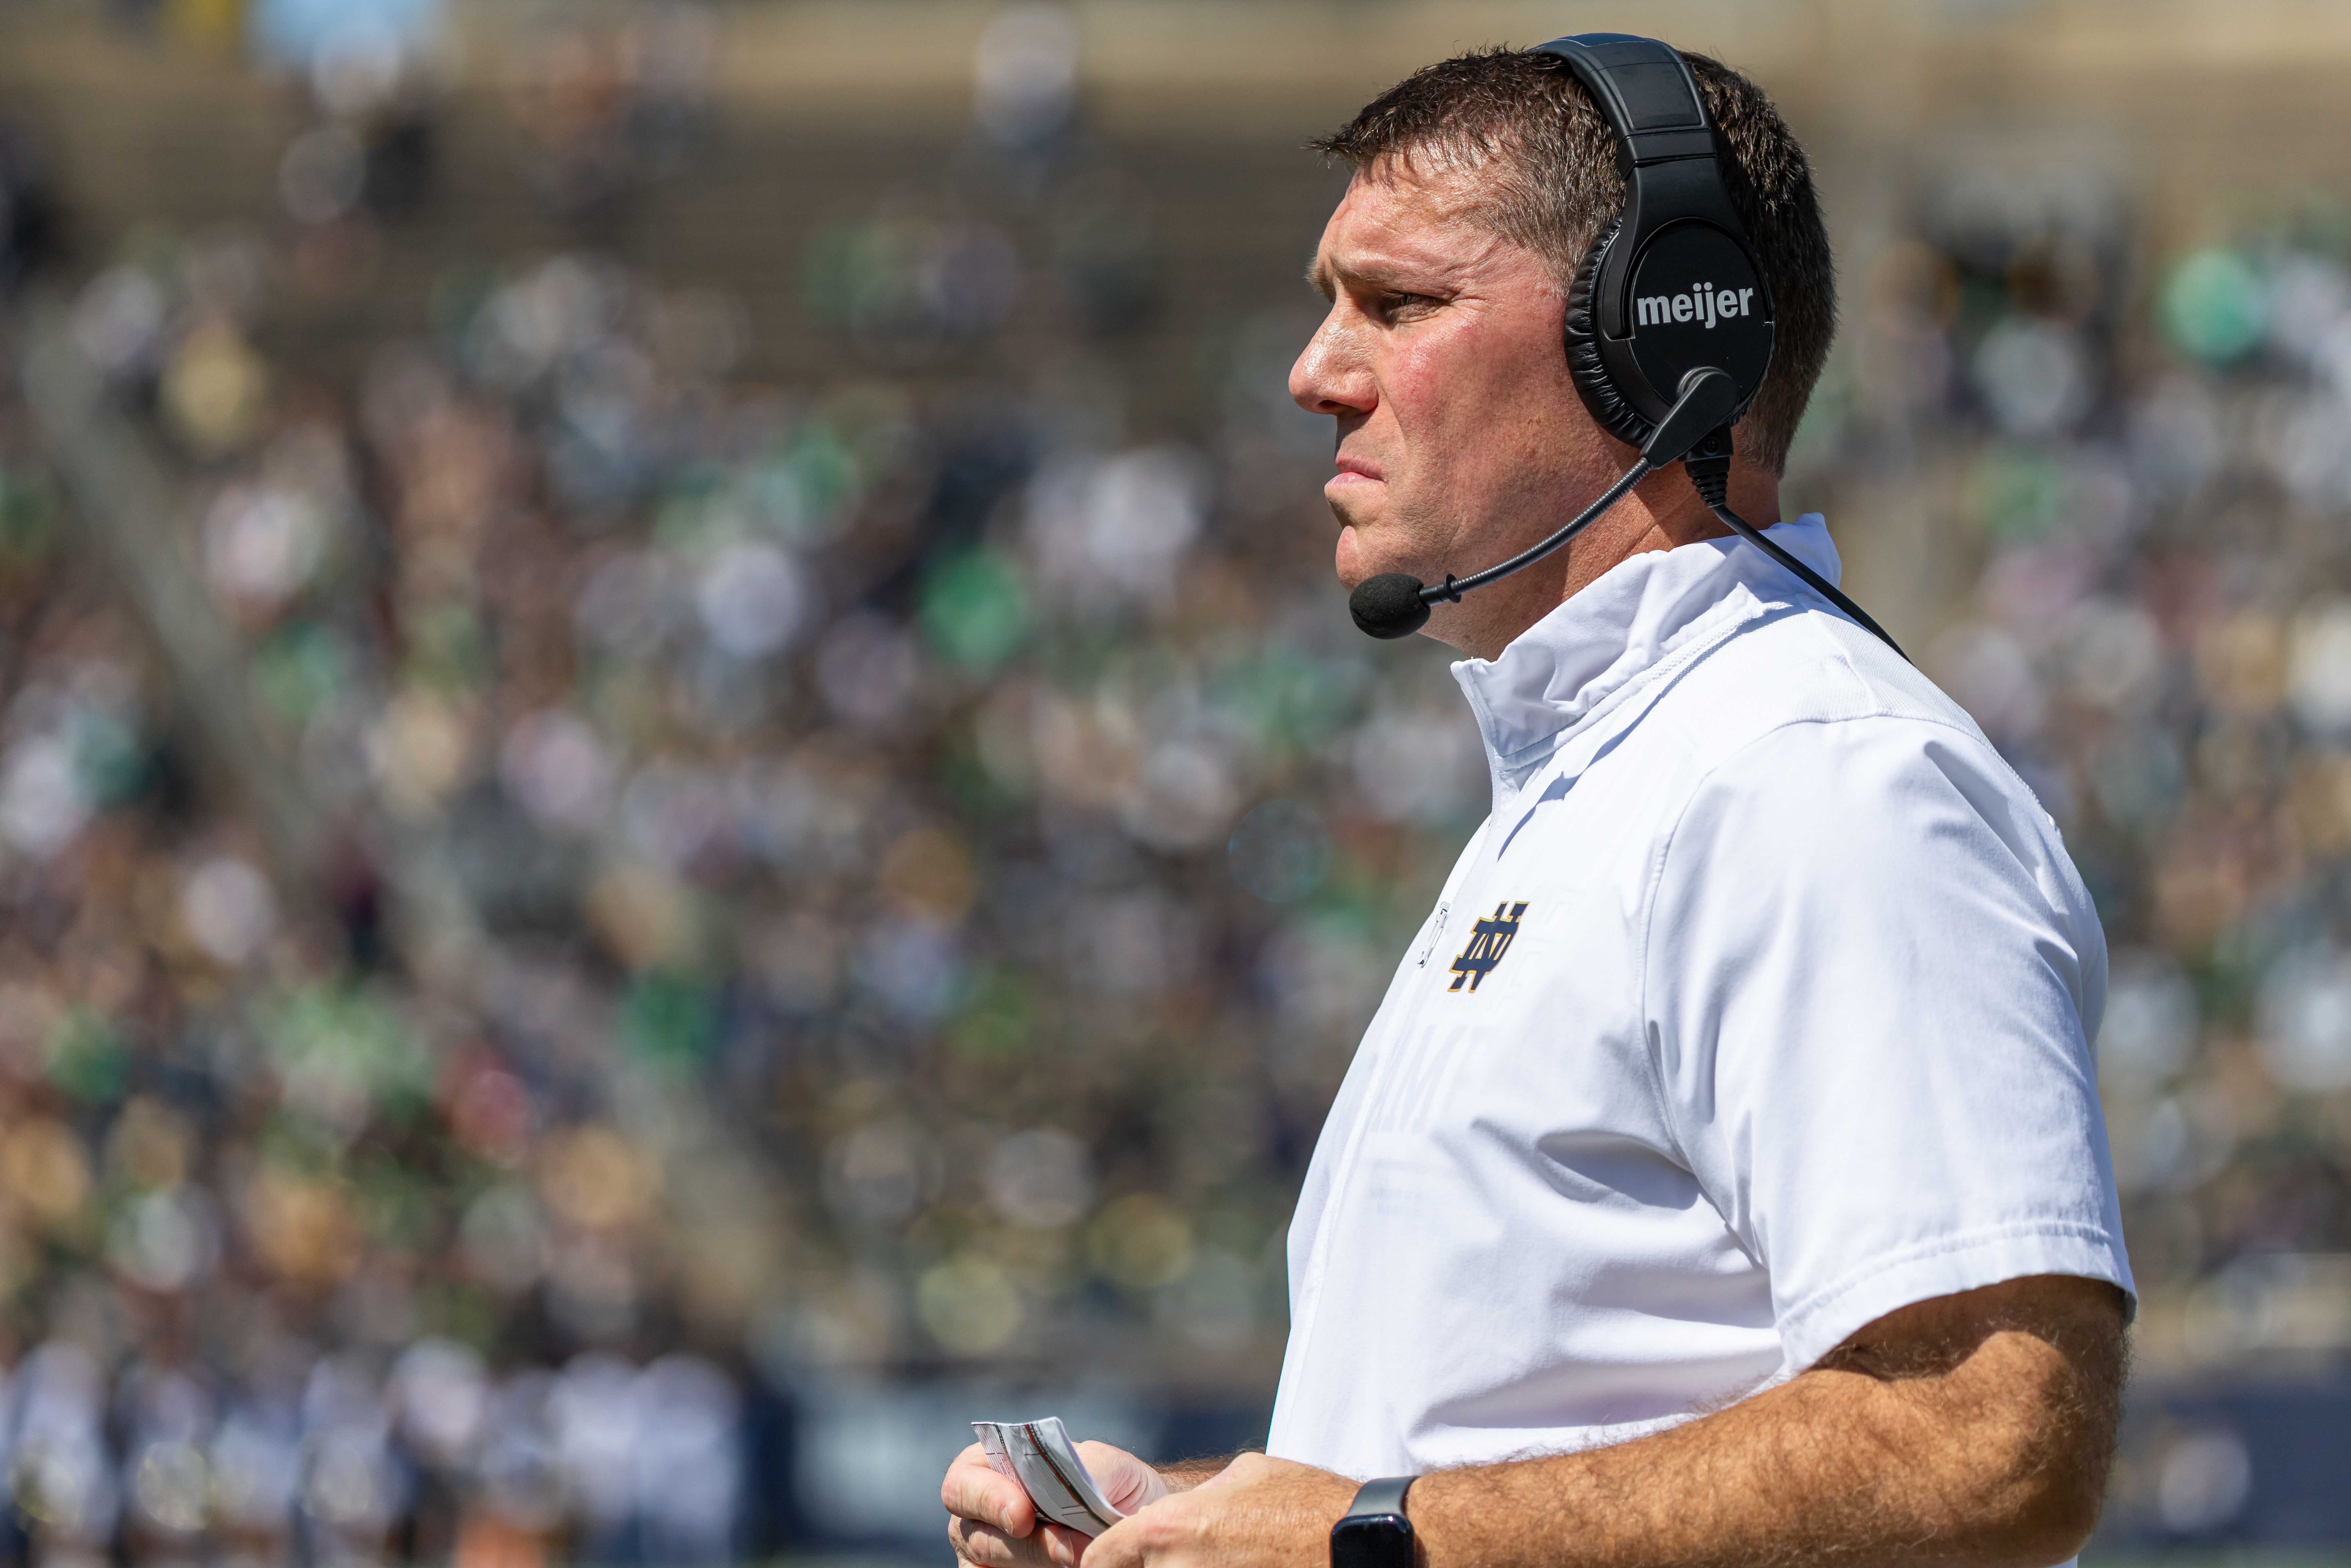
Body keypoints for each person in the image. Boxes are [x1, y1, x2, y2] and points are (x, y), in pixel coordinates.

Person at [944, 41, 2131, 1568]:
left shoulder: (1818, 778)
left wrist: (1366, 1535)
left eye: (1399, 302)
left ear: (1657, 337)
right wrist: (1201, 1523)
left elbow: (1992, 1439)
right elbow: (1508, 1445)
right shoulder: (1615, 776)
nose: (1315, 370)